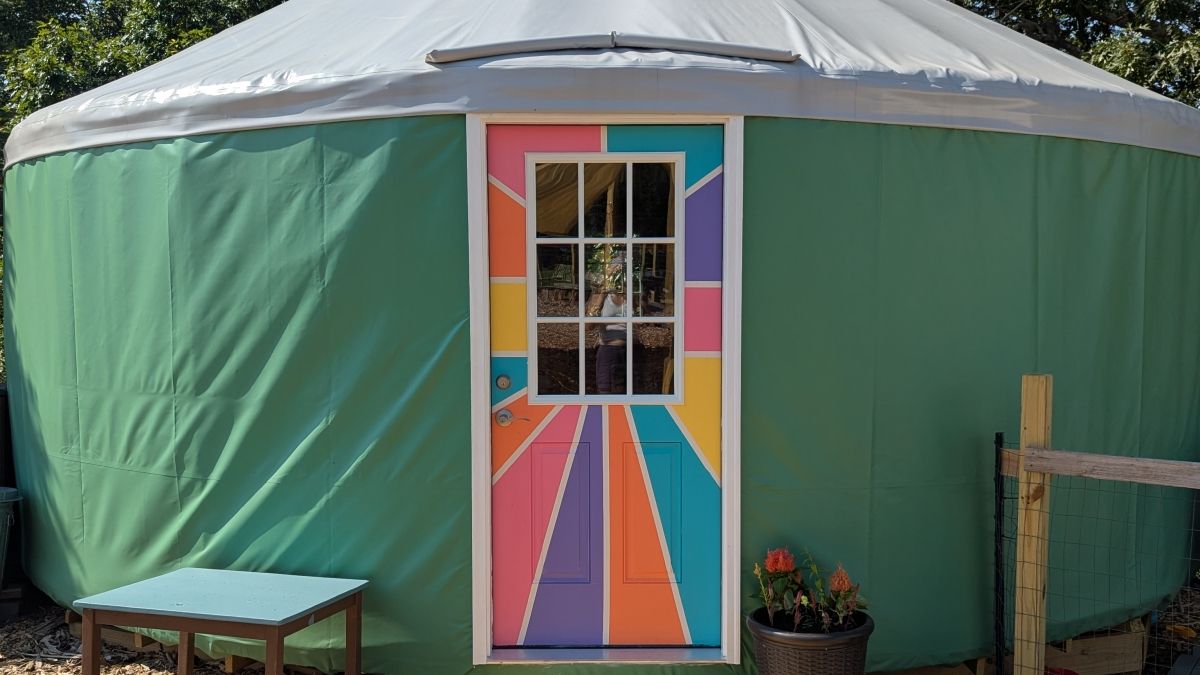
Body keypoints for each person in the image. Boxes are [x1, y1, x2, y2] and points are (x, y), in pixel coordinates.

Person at [595, 292, 626, 394]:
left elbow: (643, 320)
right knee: (606, 391)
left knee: (629, 393)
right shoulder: (602, 296)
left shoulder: (632, 294)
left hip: (632, 349)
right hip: (608, 351)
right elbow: (588, 326)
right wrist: (599, 303)